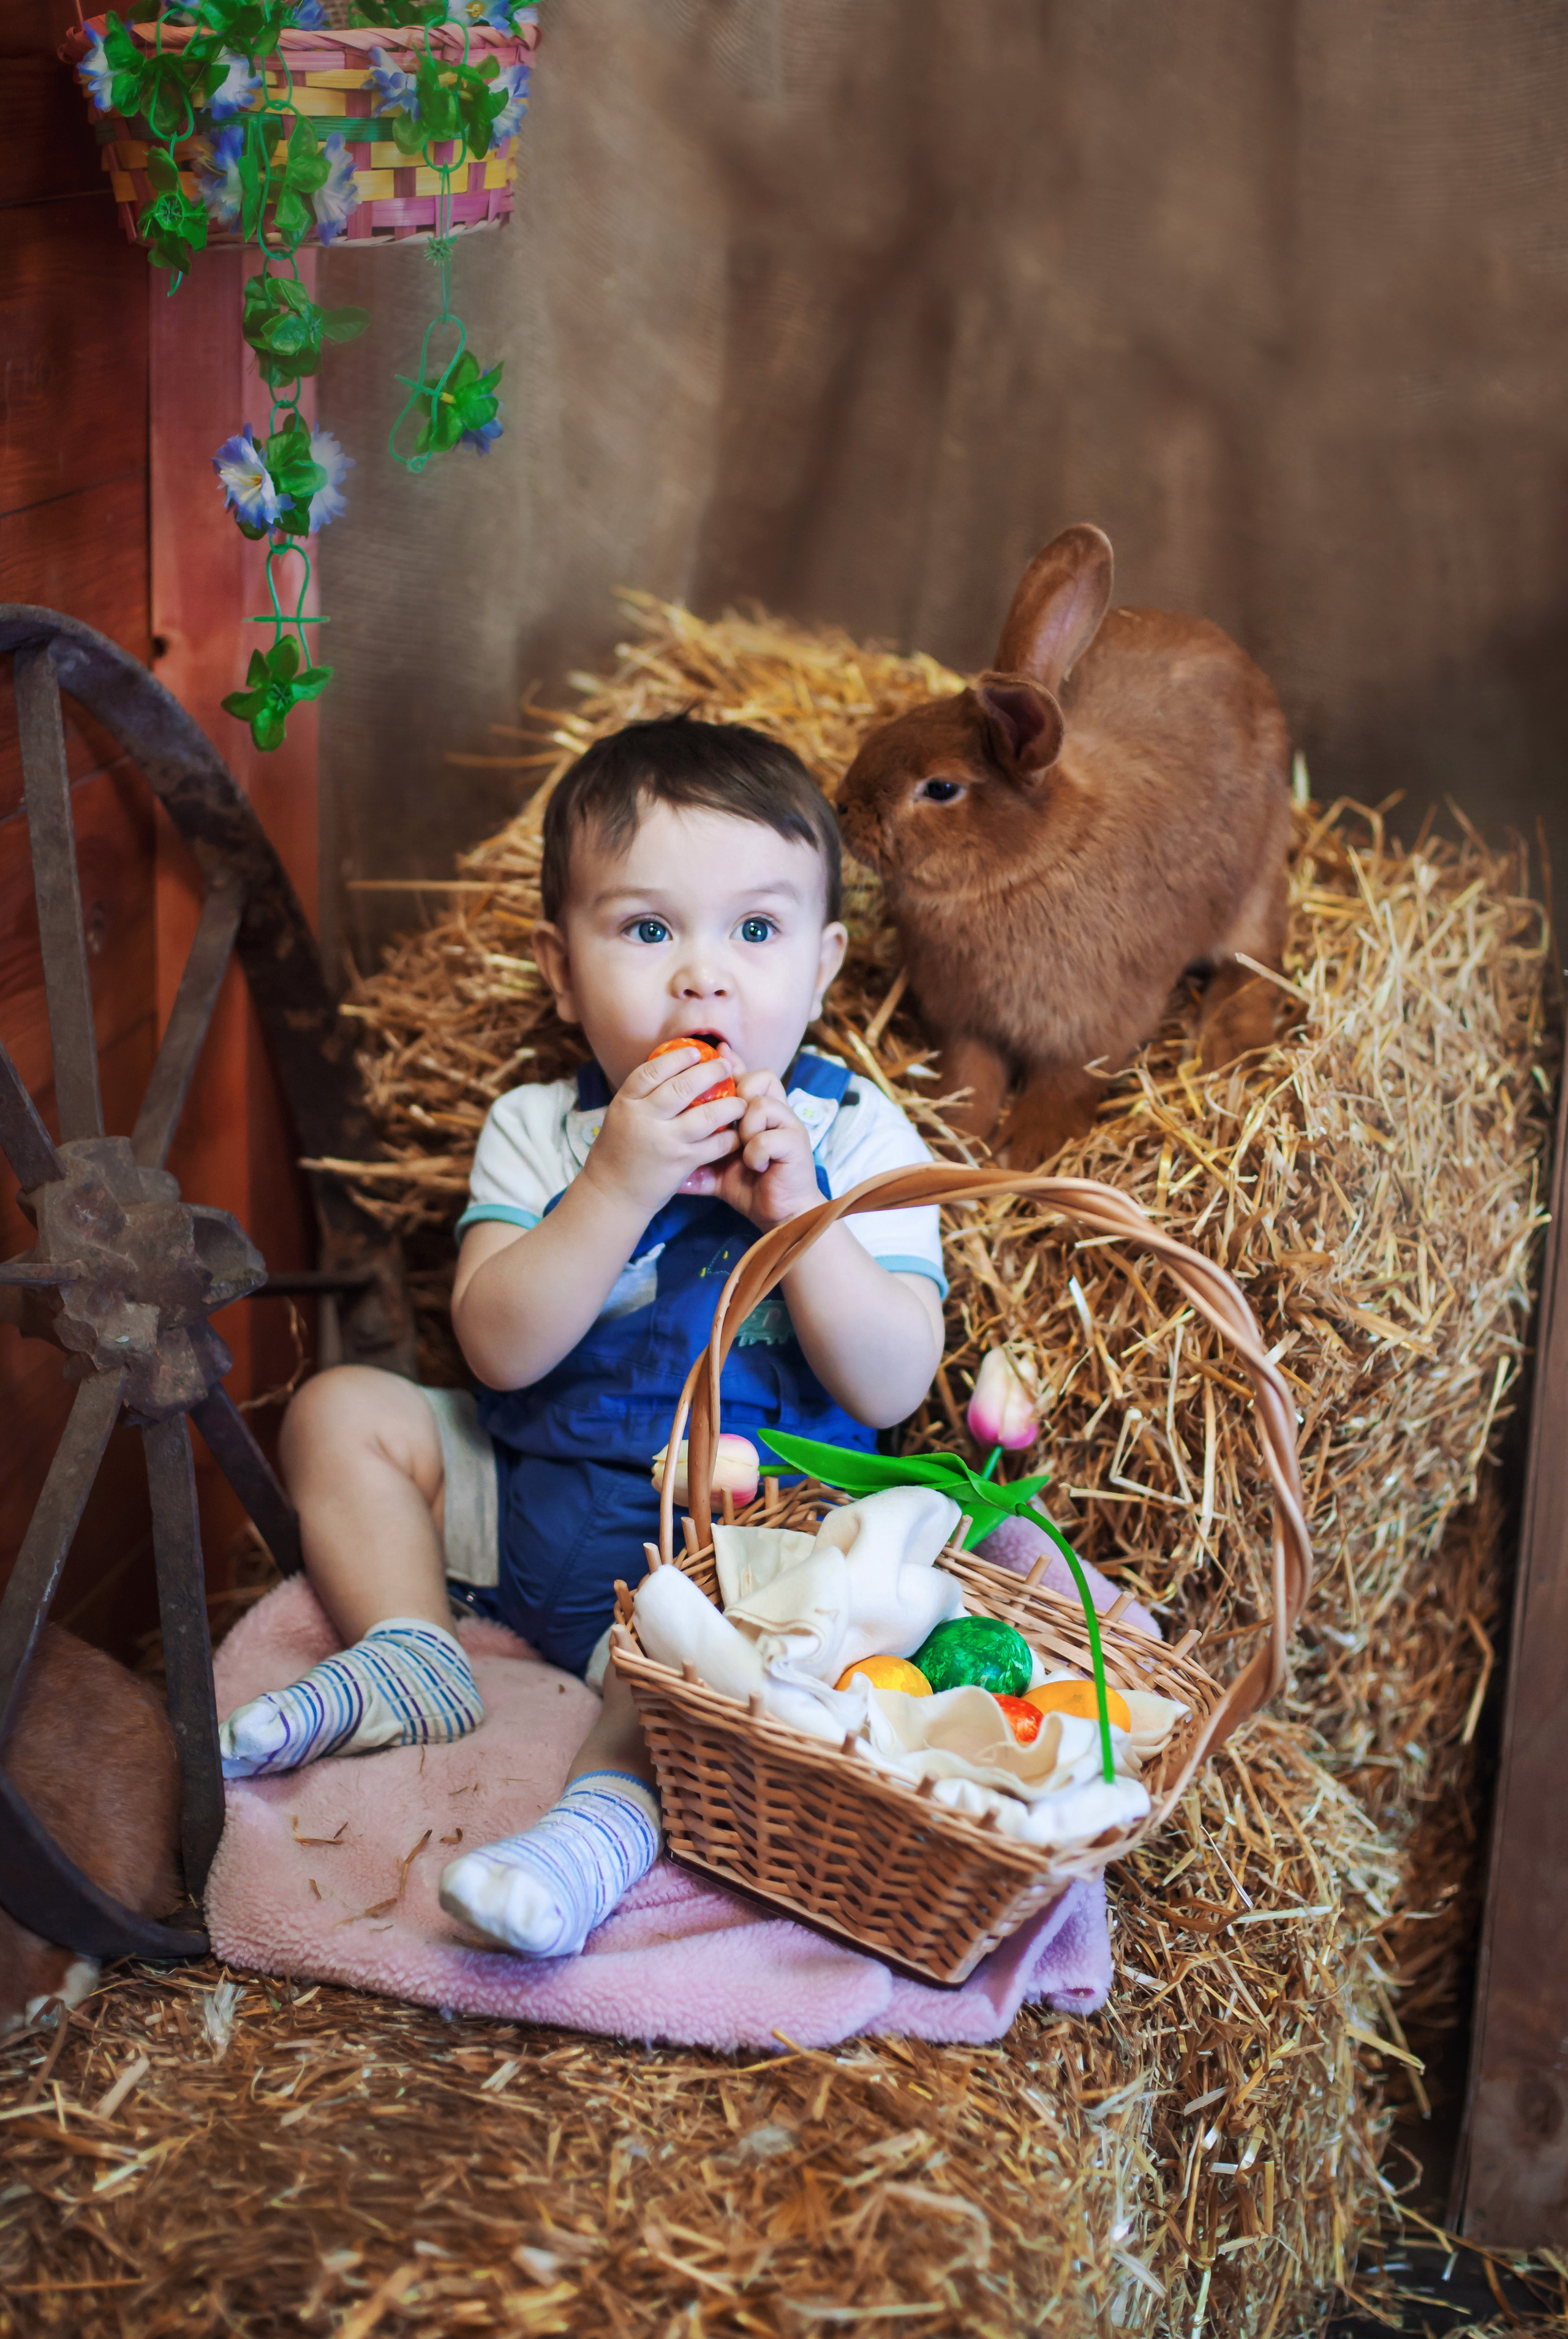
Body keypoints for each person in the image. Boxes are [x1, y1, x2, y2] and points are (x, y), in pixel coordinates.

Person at [219, 714, 948, 1956]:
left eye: (754, 931)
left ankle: (599, 1821)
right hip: (529, 1511)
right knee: (343, 1409)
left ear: (824, 968)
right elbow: (499, 1349)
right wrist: (613, 1186)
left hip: (739, 1551)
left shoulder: (865, 1139)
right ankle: (413, 1648)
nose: (700, 975)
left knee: (779, 1620)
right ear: (563, 970)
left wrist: (804, 1219)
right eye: (647, 929)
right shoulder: (542, 1129)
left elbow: (891, 1380)